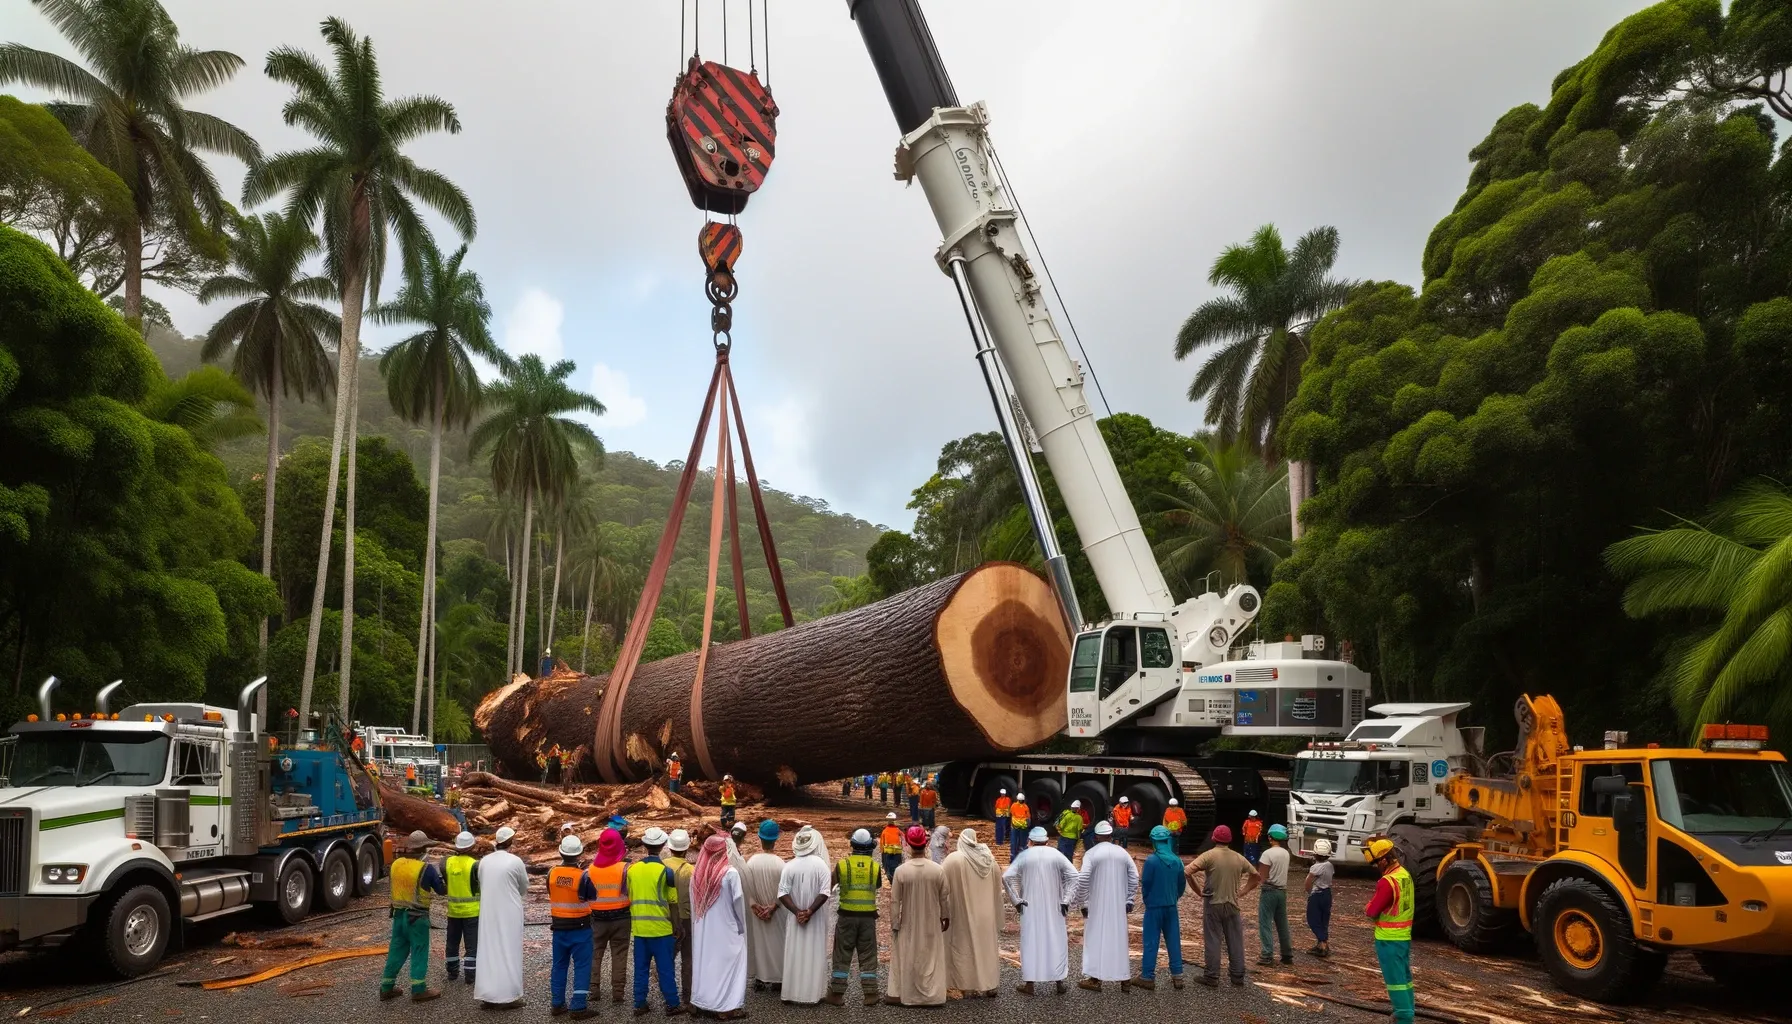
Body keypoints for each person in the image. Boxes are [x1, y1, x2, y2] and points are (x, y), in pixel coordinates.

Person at [1002, 826, 1077, 996]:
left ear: (1031, 841)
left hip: (1030, 907)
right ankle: (1059, 983)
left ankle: (1029, 984)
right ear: (1046, 841)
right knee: (1056, 941)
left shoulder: (1025, 856)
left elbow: (1007, 877)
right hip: (1055, 908)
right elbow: (1074, 875)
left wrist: (1016, 900)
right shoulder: (1056, 854)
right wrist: (1066, 900)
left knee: (1031, 942)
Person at [1069, 821, 1138, 992]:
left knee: (1095, 939)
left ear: (1096, 836)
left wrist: (1082, 901)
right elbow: (1134, 876)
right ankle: (1124, 980)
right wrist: (1129, 899)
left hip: (1096, 905)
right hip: (1118, 905)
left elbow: (1083, 878)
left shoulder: (1092, 853)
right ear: (1111, 834)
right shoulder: (1122, 853)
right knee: (1119, 940)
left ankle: (1095, 979)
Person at [1187, 825, 1258, 987]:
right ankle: (1238, 976)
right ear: (1229, 840)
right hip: (1232, 904)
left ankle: (1212, 976)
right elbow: (1256, 876)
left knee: (1213, 939)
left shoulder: (1209, 855)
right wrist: (1242, 892)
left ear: (1214, 839)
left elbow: (1187, 871)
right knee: (1235, 941)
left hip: (1213, 903)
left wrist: (1198, 891)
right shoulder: (1238, 857)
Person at [887, 824, 950, 1007]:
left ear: (908, 844)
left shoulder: (901, 871)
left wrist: (895, 923)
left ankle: (910, 994)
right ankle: (933, 996)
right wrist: (945, 916)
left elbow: (895, 901)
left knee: (910, 955)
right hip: (932, 920)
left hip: (909, 922)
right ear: (925, 844)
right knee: (931, 955)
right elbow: (944, 898)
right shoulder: (937, 870)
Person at [381, 830, 445, 1003]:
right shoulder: (426, 869)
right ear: (424, 849)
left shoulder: (397, 864)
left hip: (398, 915)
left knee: (396, 950)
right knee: (419, 950)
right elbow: (441, 890)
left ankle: (386, 987)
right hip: (417, 918)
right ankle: (418, 989)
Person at [690, 834, 749, 1020]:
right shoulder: (730, 873)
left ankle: (704, 1002)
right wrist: (741, 927)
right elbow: (738, 903)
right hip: (727, 928)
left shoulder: (697, 873)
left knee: (707, 964)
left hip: (704, 930)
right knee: (730, 966)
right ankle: (726, 1008)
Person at [628, 826, 685, 1016]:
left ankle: (639, 1003)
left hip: (639, 929)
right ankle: (672, 1004)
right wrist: (677, 926)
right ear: (662, 846)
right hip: (661, 930)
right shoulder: (666, 872)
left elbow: (630, 895)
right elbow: (673, 902)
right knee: (666, 969)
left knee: (641, 969)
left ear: (644, 845)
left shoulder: (632, 870)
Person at [825, 829, 884, 1006]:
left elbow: (830, 883)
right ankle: (870, 994)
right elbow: (878, 885)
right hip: (867, 919)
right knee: (867, 955)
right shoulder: (875, 867)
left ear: (853, 845)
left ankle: (836, 994)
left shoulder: (842, 865)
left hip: (846, 917)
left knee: (842, 955)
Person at [942, 828, 1002, 999]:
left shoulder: (954, 860)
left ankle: (965, 985)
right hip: (986, 916)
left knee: (964, 948)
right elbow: (998, 889)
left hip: (962, 914)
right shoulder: (989, 860)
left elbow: (942, 887)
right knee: (986, 949)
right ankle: (989, 984)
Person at [777, 826, 834, 1005]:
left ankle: (791, 993)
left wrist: (797, 912)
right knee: (814, 952)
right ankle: (813, 994)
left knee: (794, 952)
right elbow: (825, 892)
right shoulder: (821, 866)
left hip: (795, 919)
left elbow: (782, 893)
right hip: (815, 918)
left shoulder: (789, 866)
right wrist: (809, 911)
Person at [475, 825, 528, 1009]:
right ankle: (507, 996)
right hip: (509, 910)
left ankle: (488, 995)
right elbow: (523, 887)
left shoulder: (484, 861)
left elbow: (482, 882)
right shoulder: (515, 861)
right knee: (509, 949)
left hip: (489, 910)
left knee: (489, 950)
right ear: (510, 842)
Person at [1365, 837, 1416, 1024]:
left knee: (1395, 982)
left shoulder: (1387, 881)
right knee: (1404, 978)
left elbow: (1372, 911)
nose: (1376, 866)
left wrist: (1368, 905)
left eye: (1377, 862)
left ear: (1385, 860)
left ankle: (1404, 1016)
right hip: (1403, 936)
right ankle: (1407, 1011)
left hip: (1388, 938)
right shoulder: (1404, 875)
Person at [547, 834, 599, 1018]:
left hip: (559, 928)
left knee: (559, 966)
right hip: (580, 928)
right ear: (579, 854)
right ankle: (578, 1006)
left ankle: (557, 1003)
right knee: (582, 966)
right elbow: (593, 896)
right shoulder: (583, 876)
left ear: (561, 852)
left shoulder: (552, 873)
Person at [1135, 825, 1187, 990]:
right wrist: (1173, 897)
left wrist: (1148, 900)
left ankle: (1147, 976)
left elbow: (1146, 884)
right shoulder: (1177, 861)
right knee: (1173, 941)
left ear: (1154, 842)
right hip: (1171, 907)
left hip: (1154, 907)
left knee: (1151, 941)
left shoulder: (1151, 861)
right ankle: (1178, 976)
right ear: (1168, 841)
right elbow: (1181, 885)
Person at [587, 829, 632, 1006]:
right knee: (620, 955)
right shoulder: (626, 869)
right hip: (621, 918)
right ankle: (618, 993)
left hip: (597, 919)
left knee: (594, 955)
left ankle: (593, 990)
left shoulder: (589, 870)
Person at [743, 820, 787, 992]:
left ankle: (760, 978)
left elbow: (745, 886)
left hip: (757, 912)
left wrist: (754, 905)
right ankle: (779, 979)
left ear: (760, 839)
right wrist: (773, 907)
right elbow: (785, 891)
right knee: (779, 942)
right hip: (776, 912)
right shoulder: (780, 864)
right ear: (775, 840)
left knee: (759, 943)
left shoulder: (751, 862)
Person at [443, 831, 481, 986]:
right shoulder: (475, 864)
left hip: (453, 911)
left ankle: (452, 972)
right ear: (472, 846)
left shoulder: (447, 862)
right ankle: (470, 975)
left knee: (452, 942)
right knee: (472, 945)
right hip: (472, 911)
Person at [665, 829, 697, 1000]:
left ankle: (668, 993)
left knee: (668, 956)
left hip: (666, 918)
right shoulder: (691, 871)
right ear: (686, 849)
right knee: (688, 957)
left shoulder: (662, 865)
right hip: (686, 918)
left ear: (670, 848)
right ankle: (688, 994)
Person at [1257, 824, 1294, 967]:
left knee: (1265, 923)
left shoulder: (1267, 854)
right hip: (1281, 892)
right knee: (1282, 924)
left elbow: (1262, 876)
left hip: (1269, 892)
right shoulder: (1286, 853)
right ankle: (1287, 955)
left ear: (1270, 837)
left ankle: (1267, 954)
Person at [1305, 838, 1335, 958]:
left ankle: (1322, 944)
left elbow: (1308, 882)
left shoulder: (1315, 868)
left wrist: (1309, 893)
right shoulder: (1330, 865)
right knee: (1324, 920)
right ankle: (1323, 943)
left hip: (1317, 894)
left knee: (1313, 920)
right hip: (1327, 893)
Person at [879, 812, 904, 888]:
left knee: (888, 867)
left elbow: (881, 843)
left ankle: (892, 881)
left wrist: (882, 852)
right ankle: (896, 881)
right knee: (896, 866)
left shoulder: (885, 831)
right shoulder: (897, 830)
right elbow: (904, 837)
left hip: (887, 852)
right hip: (897, 852)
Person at [1008, 794, 1030, 859]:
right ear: (1023, 799)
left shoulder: (1013, 805)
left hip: (1014, 826)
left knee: (1014, 842)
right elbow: (1028, 818)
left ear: (1017, 799)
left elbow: (1011, 813)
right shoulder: (1025, 807)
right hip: (1023, 827)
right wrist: (1028, 825)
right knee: (1023, 843)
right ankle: (1022, 858)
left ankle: (1013, 857)